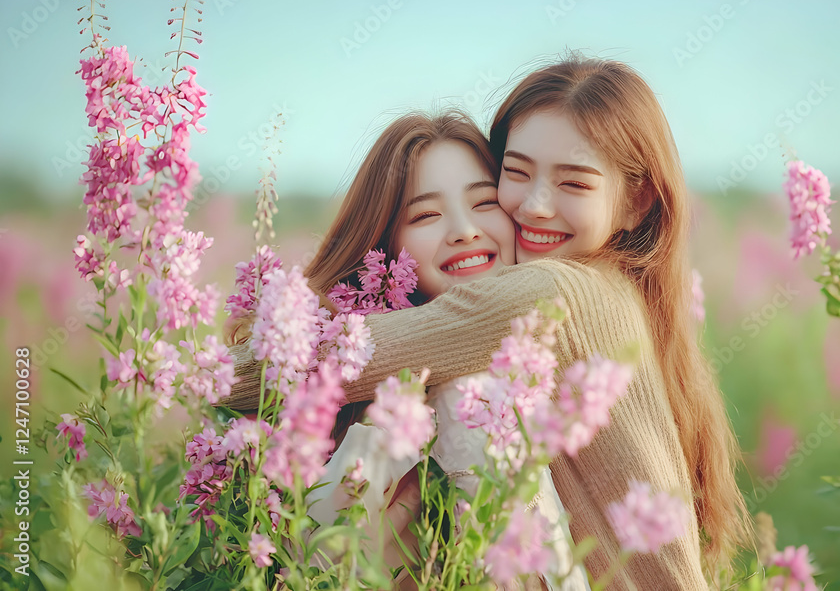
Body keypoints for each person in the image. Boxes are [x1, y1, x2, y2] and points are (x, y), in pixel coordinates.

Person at [226, 54, 750, 589]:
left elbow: (292, 365)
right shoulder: (614, 290)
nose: (536, 206)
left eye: (574, 183)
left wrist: (194, 376)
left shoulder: (552, 294)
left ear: (636, 203)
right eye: (516, 173)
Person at [227, 110, 586, 589]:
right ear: (385, 244)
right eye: (426, 215)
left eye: (483, 203)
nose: (463, 230)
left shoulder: (538, 361)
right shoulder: (461, 399)